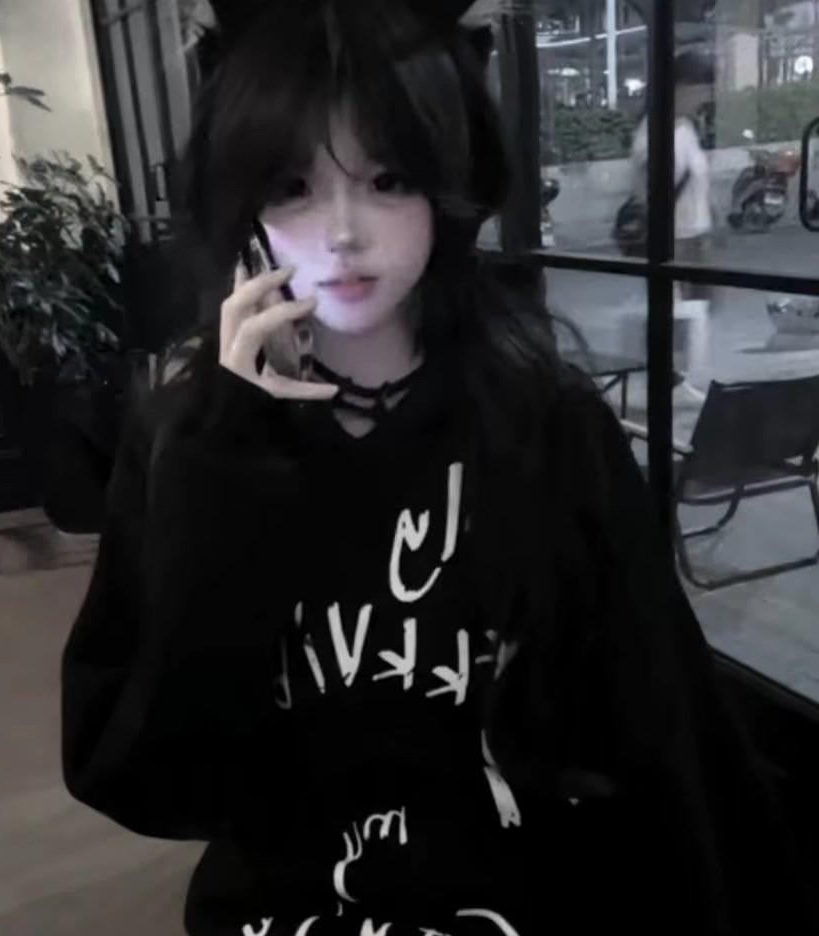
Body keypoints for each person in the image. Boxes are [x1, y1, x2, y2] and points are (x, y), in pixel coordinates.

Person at [60, 3, 814, 935]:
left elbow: (658, 730)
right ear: (243, 205)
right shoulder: (188, 445)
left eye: (387, 179)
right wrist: (224, 485)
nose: (342, 232)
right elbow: (141, 773)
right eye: (292, 185)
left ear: (447, 185)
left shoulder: (546, 428)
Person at [630, 50, 715, 399]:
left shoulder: (685, 128)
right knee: (678, 313)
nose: (706, 98)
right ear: (681, 87)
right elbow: (651, 190)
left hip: (694, 234)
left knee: (694, 312)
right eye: (702, 89)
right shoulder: (655, 132)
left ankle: (681, 381)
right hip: (673, 237)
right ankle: (672, 383)